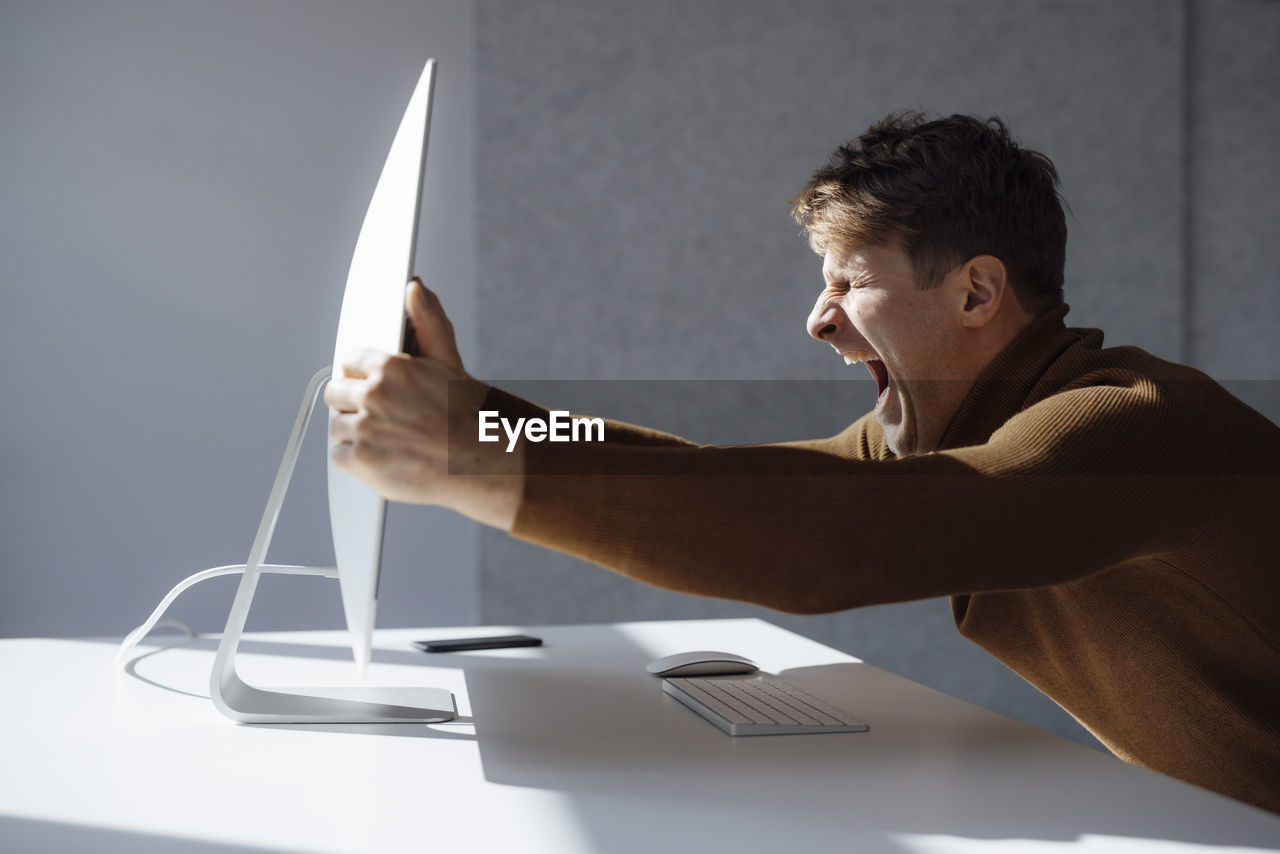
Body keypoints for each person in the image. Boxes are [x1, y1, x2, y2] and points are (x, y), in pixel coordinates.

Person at [323, 113, 1280, 813]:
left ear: (978, 291)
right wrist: (495, 430)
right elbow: (725, 480)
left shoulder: (1134, 427)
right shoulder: (947, 431)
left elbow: (833, 541)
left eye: (851, 282)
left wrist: (476, 464)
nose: (818, 321)